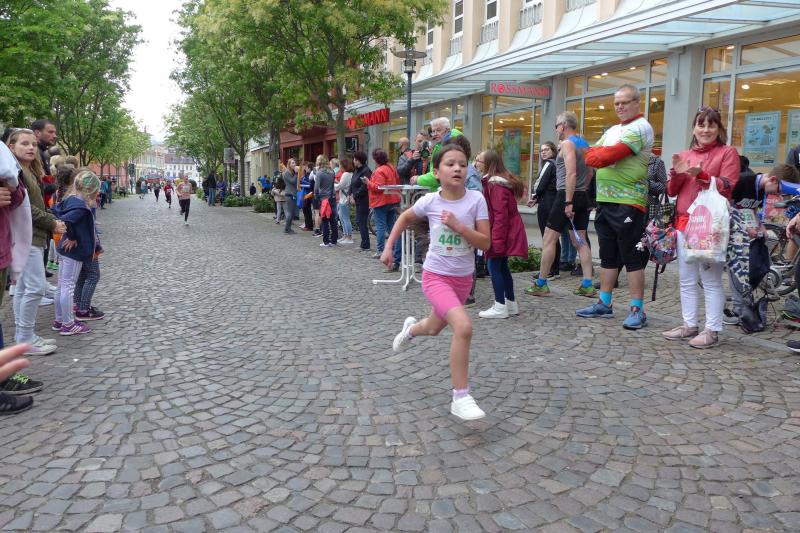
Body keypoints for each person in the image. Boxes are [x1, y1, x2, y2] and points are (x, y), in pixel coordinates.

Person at [383, 144, 491, 420]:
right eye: (450, 164)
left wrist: (459, 226)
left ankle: (409, 331)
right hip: (435, 277)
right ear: (437, 172)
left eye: (462, 164)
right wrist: (388, 246)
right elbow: (405, 217)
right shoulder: (430, 201)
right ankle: (460, 397)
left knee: (433, 328)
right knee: (463, 327)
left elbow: (485, 243)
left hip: (462, 279)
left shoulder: (476, 199)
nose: (457, 169)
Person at [660, 107, 739, 349]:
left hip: (709, 226)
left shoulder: (727, 153)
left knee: (711, 280)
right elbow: (672, 191)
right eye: (701, 124)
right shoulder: (685, 154)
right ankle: (690, 324)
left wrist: (702, 175)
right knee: (686, 279)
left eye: (711, 125)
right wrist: (676, 174)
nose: (705, 130)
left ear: (718, 128)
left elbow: (728, 185)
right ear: (694, 128)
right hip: (684, 223)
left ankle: (712, 330)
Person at [578, 84, 654, 330]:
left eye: (625, 102)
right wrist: (598, 154)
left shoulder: (640, 127)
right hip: (606, 201)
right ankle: (604, 303)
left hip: (629, 202)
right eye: (616, 103)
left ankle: (637, 309)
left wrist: (600, 154)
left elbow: (604, 157)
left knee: (633, 258)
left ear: (636, 103)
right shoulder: (613, 130)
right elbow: (590, 154)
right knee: (608, 256)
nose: (620, 107)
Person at [7, 129, 64, 355]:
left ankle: (24, 337)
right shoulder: (16, 172)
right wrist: (52, 223)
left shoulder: (27, 171)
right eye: (24, 143)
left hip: (30, 234)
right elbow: (26, 208)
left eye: (32, 144)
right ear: (11, 147)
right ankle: (25, 338)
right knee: (35, 288)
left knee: (23, 288)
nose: (31, 147)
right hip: (25, 236)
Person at [526, 112, 595, 299]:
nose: (556, 129)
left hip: (566, 195)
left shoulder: (567, 144)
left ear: (563, 125)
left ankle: (541, 284)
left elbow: (571, 173)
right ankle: (587, 284)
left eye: (557, 125)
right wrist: (581, 192)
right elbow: (590, 172)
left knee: (549, 239)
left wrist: (568, 201)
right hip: (582, 194)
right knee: (580, 240)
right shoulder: (584, 144)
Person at [725, 163, 799, 325]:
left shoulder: (761, 190)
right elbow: (726, 206)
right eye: (778, 191)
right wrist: (745, 227)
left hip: (740, 232)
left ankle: (742, 306)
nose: (778, 195)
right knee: (736, 269)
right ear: (773, 179)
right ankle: (737, 310)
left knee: (747, 269)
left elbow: (752, 210)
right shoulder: (743, 181)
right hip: (726, 230)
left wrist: (760, 226)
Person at [475, 150, 528, 319]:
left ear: (487, 165)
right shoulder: (495, 183)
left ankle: (500, 306)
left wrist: (496, 241)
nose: (475, 163)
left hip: (502, 232)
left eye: (478, 160)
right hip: (505, 231)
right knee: (502, 267)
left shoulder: (495, 185)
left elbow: (500, 216)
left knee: (494, 266)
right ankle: (510, 304)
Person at [51, 169, 101, 336]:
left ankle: (60, 320)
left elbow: (58, 211)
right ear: (91, 189)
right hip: (73, 252)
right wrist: (72, 236)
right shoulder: (80, 206)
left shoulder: (71, 199)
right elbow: (66, 221)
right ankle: (68, 324)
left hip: (65, 251)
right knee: (68, 286)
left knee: (61, 286)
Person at [363, 148, 402, 268]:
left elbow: (379, 187)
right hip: (393, 200)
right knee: (391, 227)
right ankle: (394, 249)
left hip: (381, 202)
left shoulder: (380, 170)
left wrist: (368, 182)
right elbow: (397, 181)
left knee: (380, 227)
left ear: (376, 159)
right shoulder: (391, 167)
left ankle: (380, 250)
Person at [529, 142, 561, 278]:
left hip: (547, 204)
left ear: (553, 150)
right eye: (541, 150)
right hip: (555, 203)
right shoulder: (558, 164)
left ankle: (549, 270)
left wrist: (534, 196)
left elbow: (539, 184)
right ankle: (554, 269)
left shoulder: (549, 164)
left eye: (546, 149)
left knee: (548, 239)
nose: (543, 152)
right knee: (553, 238)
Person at [416, 118, 463, 192]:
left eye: (438, 130)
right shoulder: (441, 144)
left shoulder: (451, 144)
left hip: (449, 192)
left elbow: (442, 173)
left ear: (447, 130)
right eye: (433, 131)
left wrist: (418, 179)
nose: (435, 134)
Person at [314, 155, 338, 247]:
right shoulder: (332, 172)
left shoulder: (319, 173)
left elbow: (316, 188)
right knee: (333, 220)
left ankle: (326, 242)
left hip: (324, 199)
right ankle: (334, 240)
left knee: (324, 220)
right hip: (332, 198)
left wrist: (316, 196)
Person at [350, 151, 372, 250]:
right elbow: (352, 183)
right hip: (357, 199)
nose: (353, 161)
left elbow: (364, 187)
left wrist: (354, 196)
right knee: (360, 221)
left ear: (359, 160)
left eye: (355, 159)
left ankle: (365, 244)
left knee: (362, 221)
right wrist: (350, 194)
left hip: (363, 200)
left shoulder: (366, 171)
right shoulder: (356, 170)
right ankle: (364, 243)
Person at [334, 157, 354, 244]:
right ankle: (345, 236)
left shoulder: (345, 174)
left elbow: (340, 186)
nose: (339, 167)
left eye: (340, 165)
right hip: (345, 198)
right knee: (343, 217)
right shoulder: (350, 174)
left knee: (345, 218)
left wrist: (333, 184)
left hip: (344, 199)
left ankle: (348, 237)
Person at [282, 159, 299, 234]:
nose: (294, 164)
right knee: (290, 213)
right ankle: (286, 229)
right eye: (292, 163)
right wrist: (296, 173)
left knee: (291, 213)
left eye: (294, 163)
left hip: (292, 194)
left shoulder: (291, 172)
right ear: (289, 164)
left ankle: (289, 228)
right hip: (289, 195)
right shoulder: (286, 173)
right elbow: (293, 181)